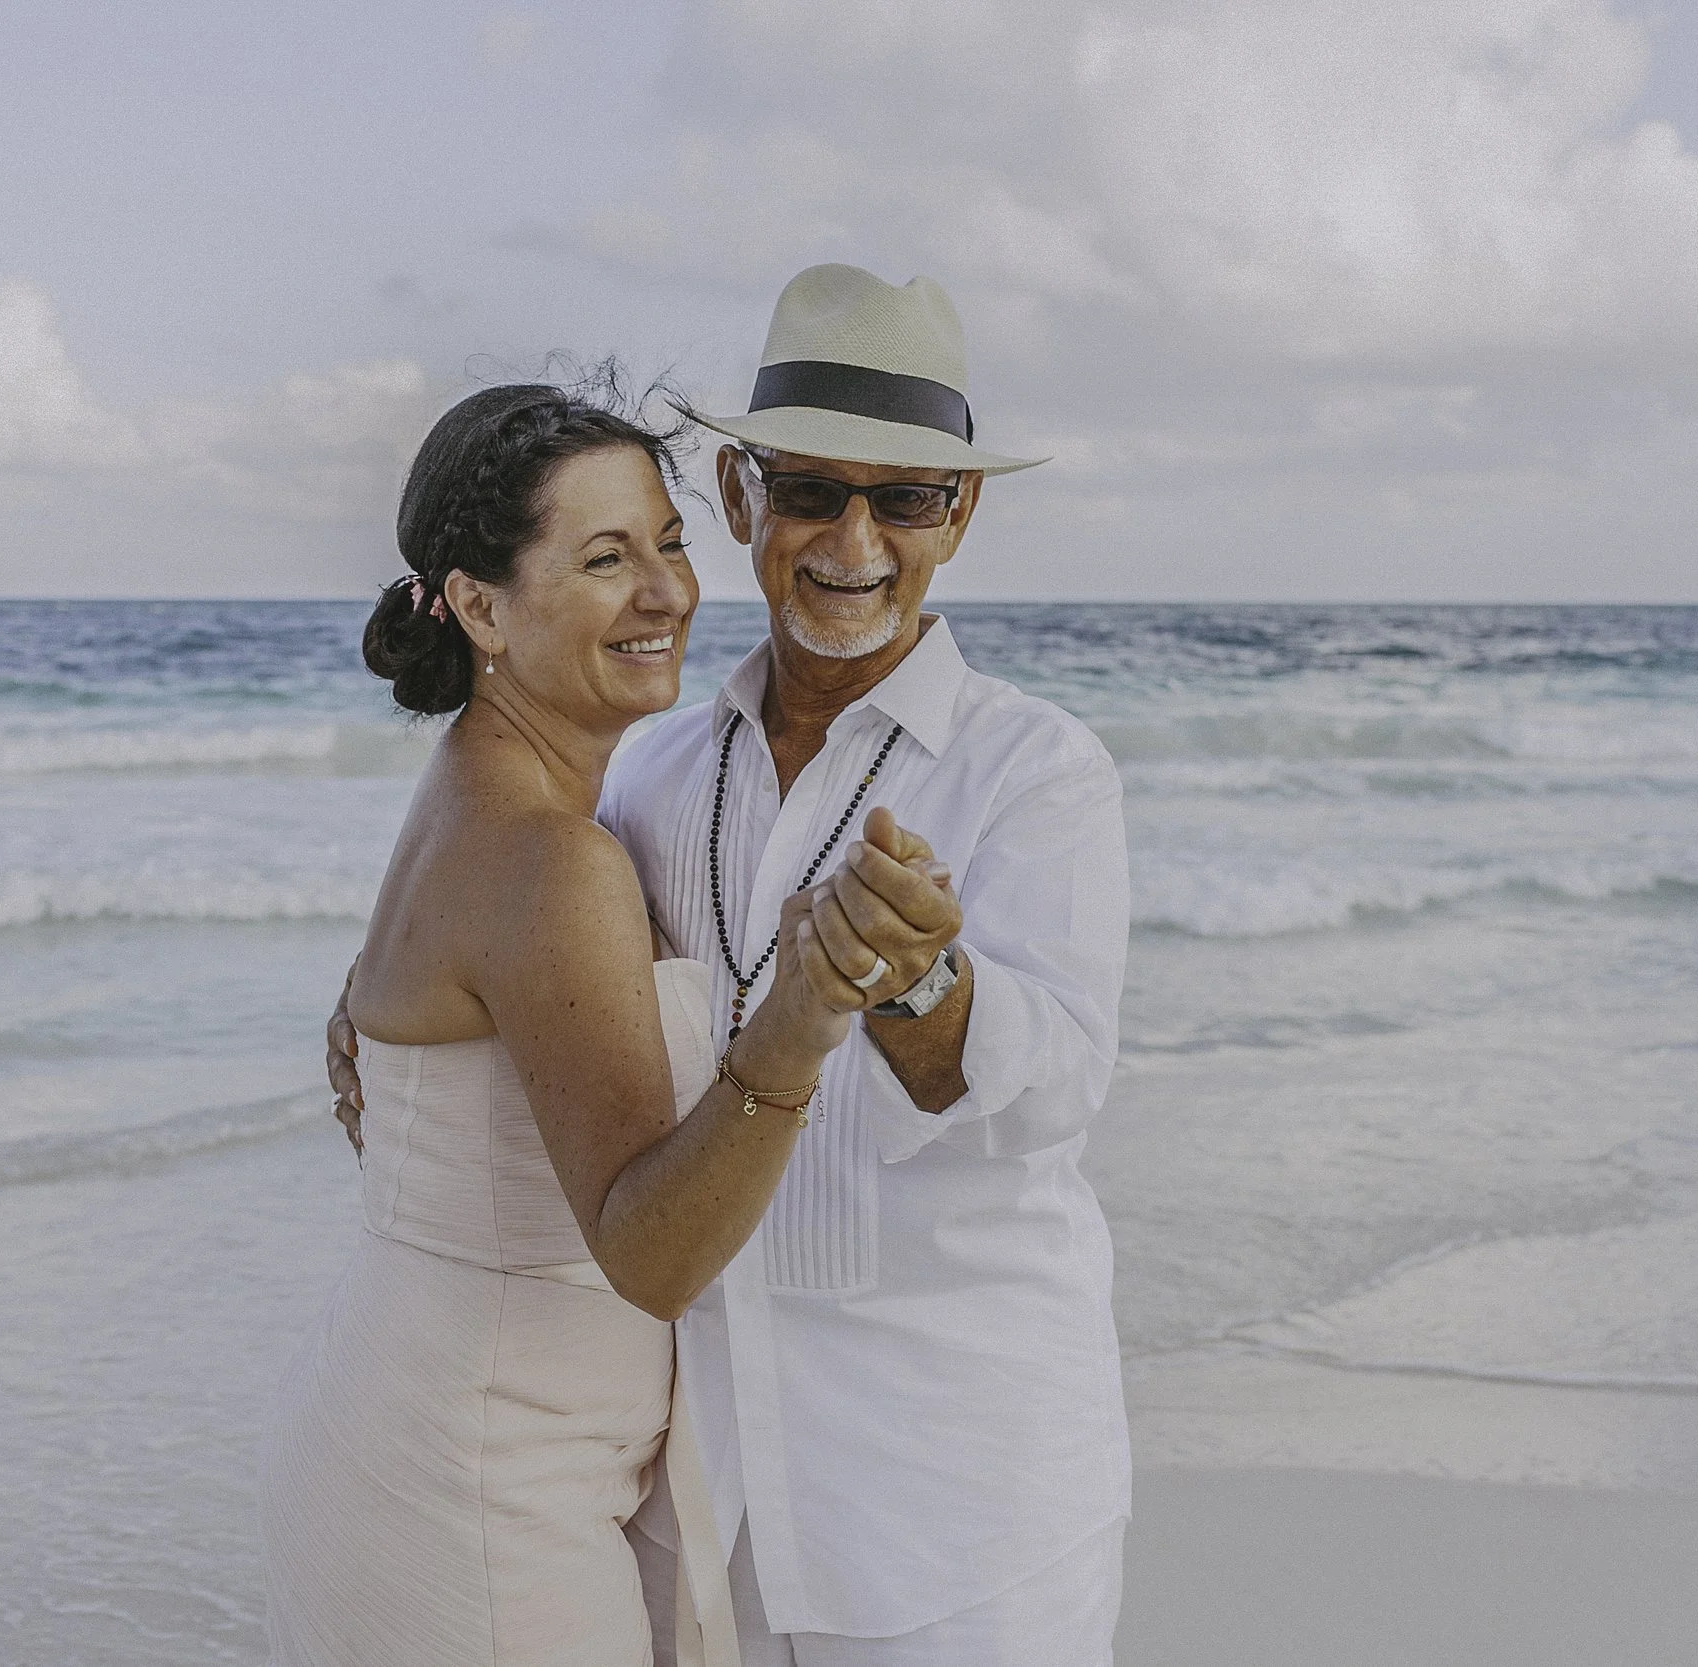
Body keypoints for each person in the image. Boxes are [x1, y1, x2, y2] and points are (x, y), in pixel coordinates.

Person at [330, 267, 1133, 1664]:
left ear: (963, 515)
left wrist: (919, 982)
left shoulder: (1039, 770)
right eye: (814, 490)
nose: (855, 541)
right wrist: (377, 1003)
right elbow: (507, 909)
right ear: (745, 495)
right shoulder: (644, 765)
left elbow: (1055, 1086)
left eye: (908, 499)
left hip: (954, 1505)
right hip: (700, 1503)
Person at [263, 380, 953, 1667]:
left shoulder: (497, 789)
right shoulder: (550, 853)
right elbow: (650, 1254)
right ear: (477, 605)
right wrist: (797, 1020)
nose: (666, 593)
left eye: (669, 540)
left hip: (427, 1425)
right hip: (480, 1492)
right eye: (601, 558)